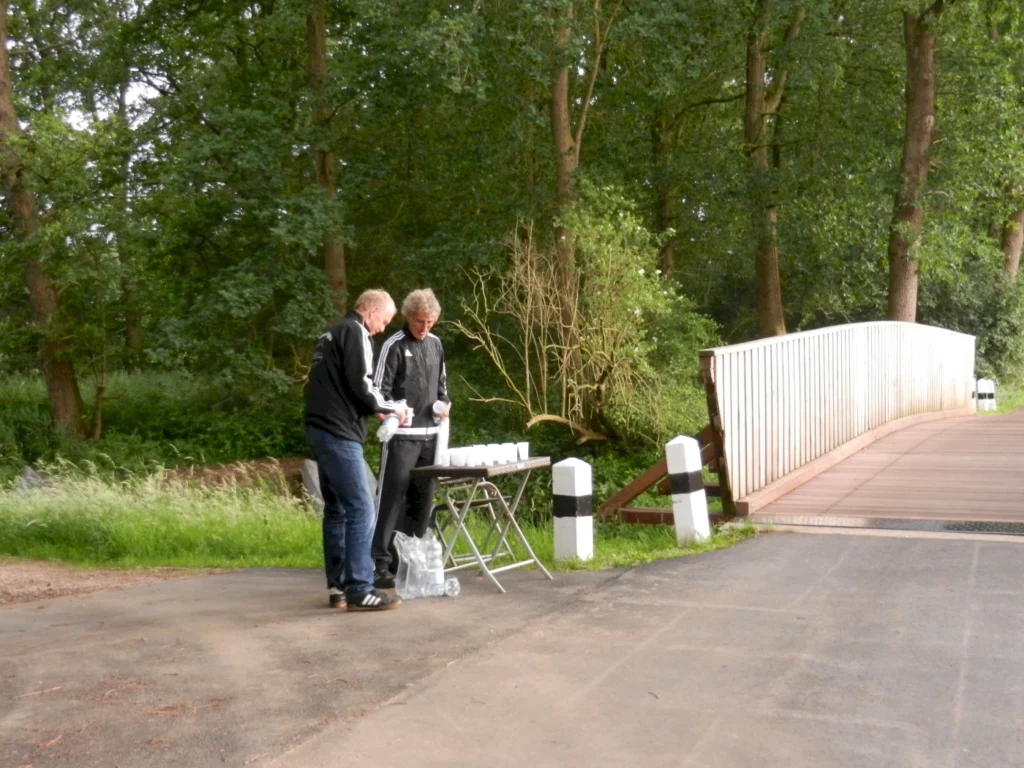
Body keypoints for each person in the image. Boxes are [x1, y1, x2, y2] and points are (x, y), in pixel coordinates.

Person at [305, 289, 412, 611]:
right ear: (373, 310)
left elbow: (342, 387)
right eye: (385, 321)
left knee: (336, 511)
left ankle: (338, 587)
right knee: (362, 507)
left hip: (319, 429)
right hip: (339, 433)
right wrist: (392, 409)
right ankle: (360, 589)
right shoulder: (356, 331)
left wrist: (375, 410)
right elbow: (362, 383)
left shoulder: (330, 334)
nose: (382, 329)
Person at [370, 288, 451, 586]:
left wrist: (445, 405)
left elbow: (442, 386)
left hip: (431, 436)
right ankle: (380, 562)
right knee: (391, 498)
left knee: (422, 500)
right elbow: (379, 392)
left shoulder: (436, 345)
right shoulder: (393, 345)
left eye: (430, 323)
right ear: (408, 317)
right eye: (420, 321)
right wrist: (392, 413)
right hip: (402, 437)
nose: (424, 328)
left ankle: (410, 561)